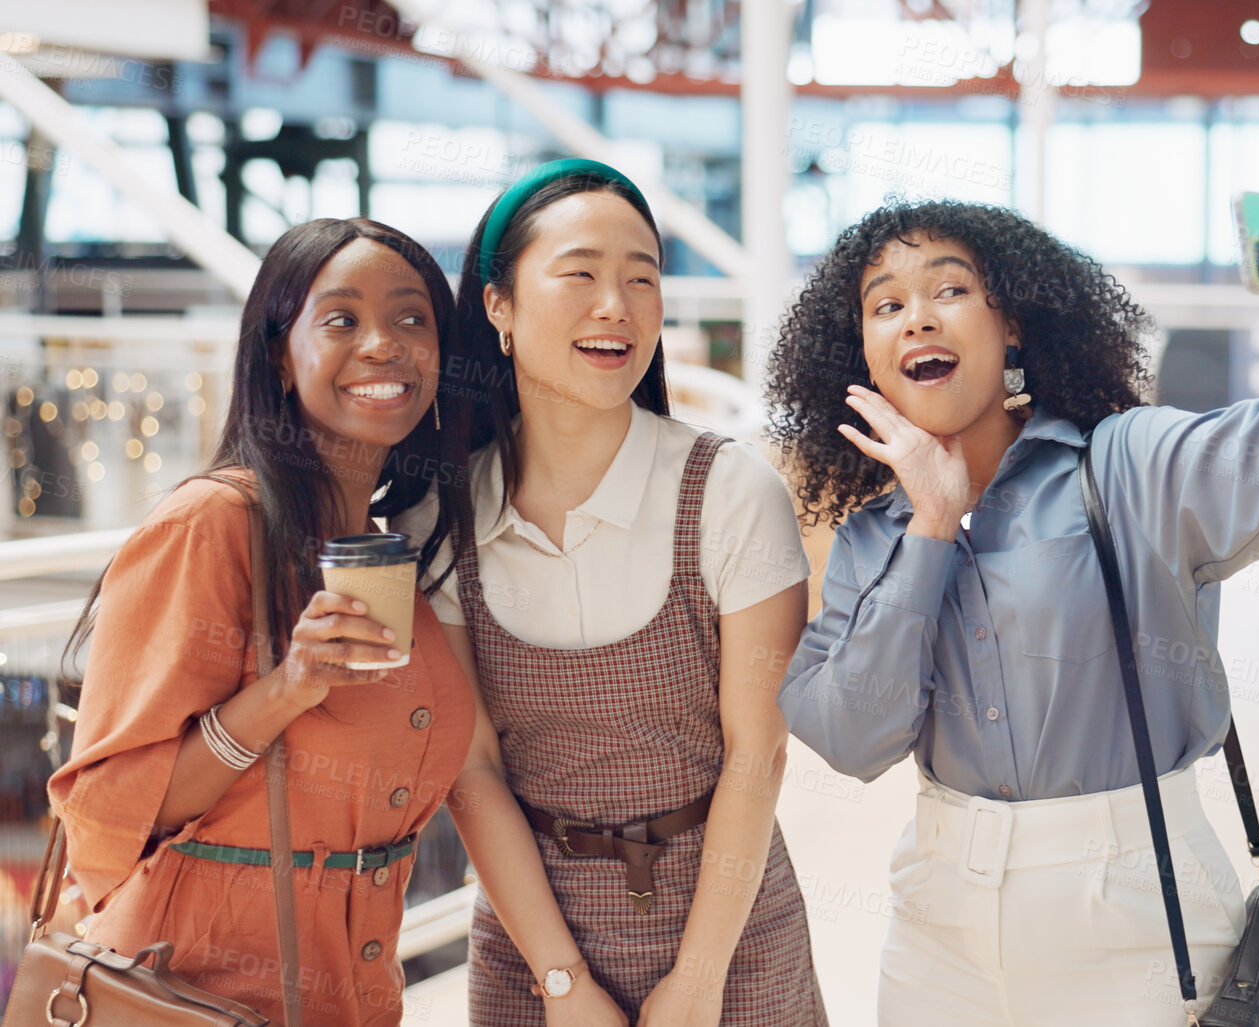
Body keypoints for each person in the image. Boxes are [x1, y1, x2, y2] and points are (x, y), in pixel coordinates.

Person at [768, 190, 1259, 1026]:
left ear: (1012, 325)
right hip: (939, 930)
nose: (915, 320)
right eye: (886, 305)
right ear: (862, 352)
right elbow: (850, 739)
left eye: (949, 290)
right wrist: (932, 525)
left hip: (1137, 917)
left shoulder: (1125, 465)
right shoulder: (877, 534)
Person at [396, 158, 827, 1026]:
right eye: (581, 273)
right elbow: (471, 770)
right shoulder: (441, 514)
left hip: (731, 928)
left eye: (642, 277)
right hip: (532, 938)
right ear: (498, 306)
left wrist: (698, 982)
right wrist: (561, 981)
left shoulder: (730, 492)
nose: (616, 306)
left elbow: (758, 754)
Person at [48, 217, 478, 1026]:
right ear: (279, 357)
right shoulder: (211, 524)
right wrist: (288, 688)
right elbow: (103, 814)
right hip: (194, 987)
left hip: (351, 993)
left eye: (412, 318)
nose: (384, 343)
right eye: (342, 319)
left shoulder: (395, 553)